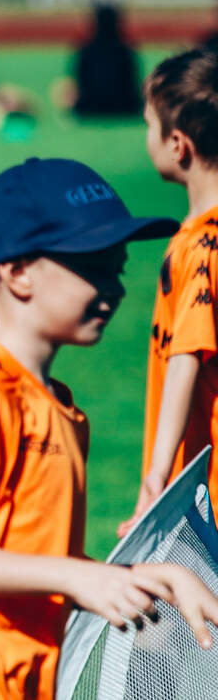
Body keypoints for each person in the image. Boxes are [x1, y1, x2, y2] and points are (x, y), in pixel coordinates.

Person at [0, 156, 218, 700]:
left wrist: (145, 579)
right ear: (17, 272)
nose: (114, 288)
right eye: (92, 267)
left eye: (117, 268)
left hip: (26, 677)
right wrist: (78, 578)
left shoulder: (58, 406)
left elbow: (32, 559)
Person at [122, 49, 218, 535]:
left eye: (149, 125)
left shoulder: (202, 246)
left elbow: (186, 358)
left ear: (178, 144)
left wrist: (156, 476)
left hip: (207, 492)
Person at [68, 4, 143, 118]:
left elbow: (80, 81)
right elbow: (132, 81)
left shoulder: (86, 50)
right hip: (123, 106)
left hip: (90, 106)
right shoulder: (125, 50)